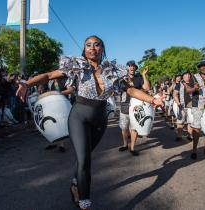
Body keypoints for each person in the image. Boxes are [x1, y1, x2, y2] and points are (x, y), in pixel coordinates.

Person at [16, 35, 164, 210]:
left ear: (102, 48)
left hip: (100, 120)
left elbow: (130, 90)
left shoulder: (113, 70)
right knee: (85, 161)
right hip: (79, 117)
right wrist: (27, 83)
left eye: (96, 45)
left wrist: (152, 100)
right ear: (84, 49)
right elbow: (48, 75)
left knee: (84, 158)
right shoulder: (76, 66)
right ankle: (84, 203)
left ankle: (75, 183)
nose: (92, 48)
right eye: (88, 45)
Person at [118, 61, 150, 156]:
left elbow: (147, 88)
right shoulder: (122, 78)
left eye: (133, 66)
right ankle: (125, 145)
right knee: (124, 128)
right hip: (124, 106)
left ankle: (132, 148)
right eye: (130, 66)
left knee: (134, 128)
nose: (132, 68)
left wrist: (144, 75)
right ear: (127, 68)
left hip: (135, 106)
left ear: (135, 68)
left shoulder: (138, 78)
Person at [173, 72, 192, 141]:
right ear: (183, 76)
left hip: (191, 106)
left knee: (190, 122)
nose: (188, 76)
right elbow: (175, 94)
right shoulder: (179, 84)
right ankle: (179, 136)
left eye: (189, 74)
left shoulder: (192, 83)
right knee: (180, 121)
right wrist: (178, 103)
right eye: (186, 74)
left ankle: (189, 135)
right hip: (182, 105)